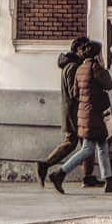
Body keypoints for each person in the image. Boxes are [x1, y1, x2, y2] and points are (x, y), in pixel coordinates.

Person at [47, 38, 112, 194]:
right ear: (97, 54)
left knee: (102, 147)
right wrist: (102, 68)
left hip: (84, 113)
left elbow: (76, 93)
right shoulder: (95, 68)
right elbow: (109, 85)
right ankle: (59, 174)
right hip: (94, 115)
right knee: (87, 149)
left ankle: (109, 181)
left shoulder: (80, 69)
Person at [36, 37, 101, 187]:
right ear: (77, 49)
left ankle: (88, 177)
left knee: (86, 142)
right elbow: (75, 93)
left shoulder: (71, 65)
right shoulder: (73, 67)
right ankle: (45, 165)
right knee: (75, 142)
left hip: (74, 110)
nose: (86, 50)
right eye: (83, 48)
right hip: (73, 111)